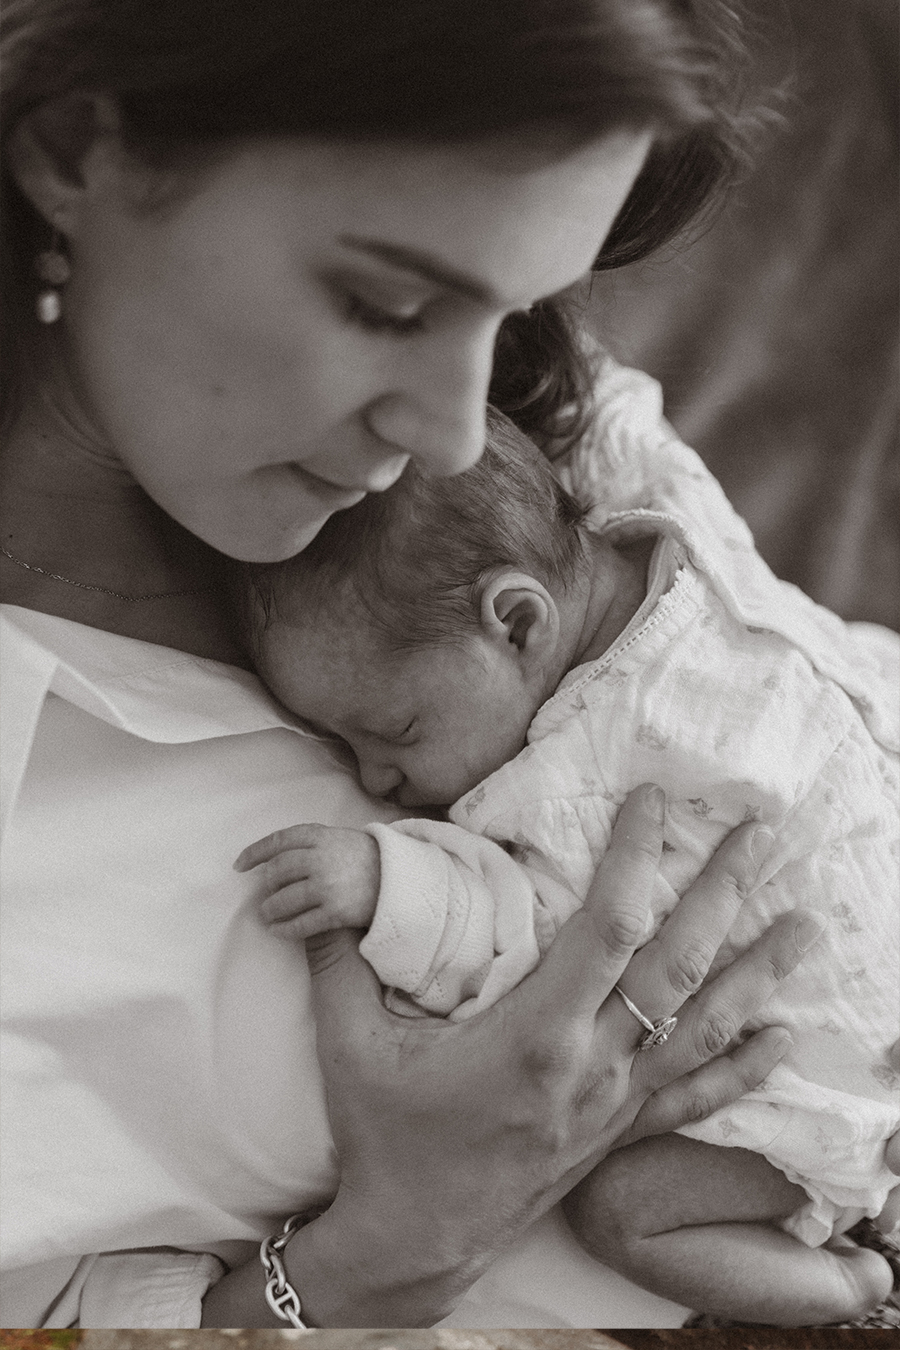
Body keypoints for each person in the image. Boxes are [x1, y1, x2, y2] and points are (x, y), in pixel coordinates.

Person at [0, 0, 870, 1331]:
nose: (455, 429)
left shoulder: (555, 473)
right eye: (384, 301)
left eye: (508, 304)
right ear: (74, 149)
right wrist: (375, 1256)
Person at [231, 408, 899, 1325]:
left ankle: (850, 1286)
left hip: (821, 1080)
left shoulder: (571, 788)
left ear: (516, 623)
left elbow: (519, 940)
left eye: (393, 732)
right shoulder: (688, 553)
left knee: (622, 1215)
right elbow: (637, 437)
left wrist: (387, 882)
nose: (375, 777)